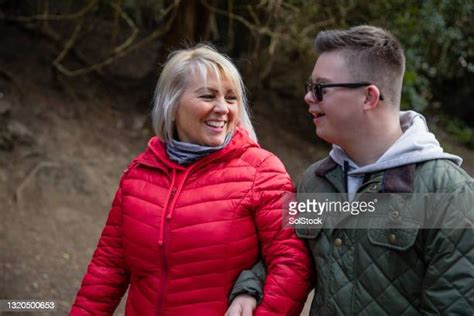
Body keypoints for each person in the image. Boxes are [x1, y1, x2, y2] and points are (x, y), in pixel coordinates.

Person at [228, 25, 474, 315]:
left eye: (320, 88)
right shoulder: (315, 182)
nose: (308, 98)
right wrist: (249, 288)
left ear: (369, 97)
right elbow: (286, 255)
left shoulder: (450, 193)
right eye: (310, 88)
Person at [70, 44, 312, 316]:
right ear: (172, 105)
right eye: (208, 96)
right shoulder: (138, 175)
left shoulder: (264, 171)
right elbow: (107, 269)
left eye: (231, 98)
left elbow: (293, 262)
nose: (222, 108)